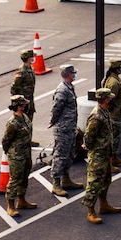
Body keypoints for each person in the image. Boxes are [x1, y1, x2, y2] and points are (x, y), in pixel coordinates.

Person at [82, 87, 120, 224]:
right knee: (94, 183)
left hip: (105, 154)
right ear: (105, 99)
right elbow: (89, 137)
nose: (111, 99)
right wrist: (90, 147)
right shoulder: (97, 116)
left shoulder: (104, 112)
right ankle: (90, 211)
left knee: (105, 181)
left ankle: (104, 205)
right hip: (98, 155)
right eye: (109, 97)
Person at [49, 64, 83, 196]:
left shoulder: (69, 87)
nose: (74, 75)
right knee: (60, 155)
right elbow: (56, 107)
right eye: (73, 73)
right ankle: (56, 183)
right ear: (69, 74)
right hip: (63, 129)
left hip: (70, 127)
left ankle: (66, 178)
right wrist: (53, 121)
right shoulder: (62, 90)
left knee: (69, 154)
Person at [2, 94, 36, 217]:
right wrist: (10, 152)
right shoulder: (12, 123)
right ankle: (10, 205)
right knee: (15, 180)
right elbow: (6, 140)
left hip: (26, 153)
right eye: (23, 105)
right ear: (19, 107)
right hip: (16, 156)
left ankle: (21, 200)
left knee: (24, 177)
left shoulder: (25, 118)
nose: (25, 106)